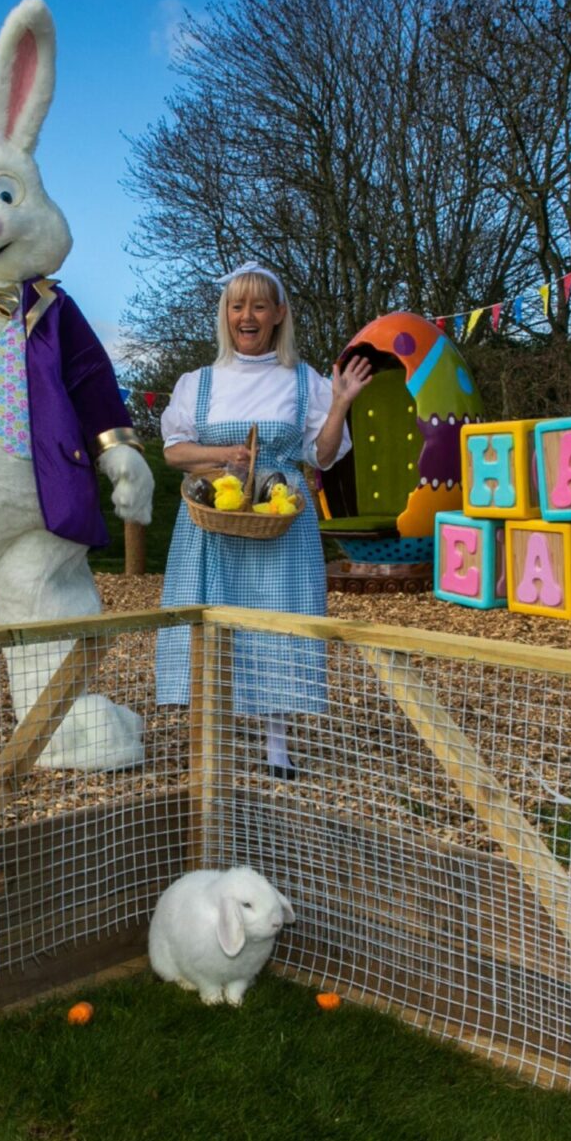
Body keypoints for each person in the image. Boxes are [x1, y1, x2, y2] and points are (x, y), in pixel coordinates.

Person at [154, 262, 372, 778]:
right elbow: (173, 452)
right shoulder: (198, 382)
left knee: (278, 622)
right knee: (213, 622)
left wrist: (340, 403)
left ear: (278, 314)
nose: (245, 315)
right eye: (236, 305)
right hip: (213, 516)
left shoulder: (304, 380)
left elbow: (321, 457)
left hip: (280, 516)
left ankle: (276, 745)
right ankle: (212, 740)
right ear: (225, 315)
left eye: (257, 305)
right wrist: (220, 455)